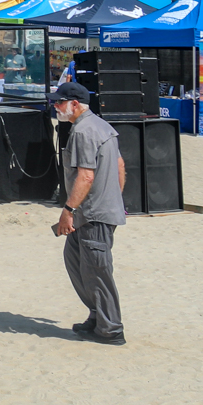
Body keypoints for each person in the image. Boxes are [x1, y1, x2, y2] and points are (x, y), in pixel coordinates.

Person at [49, 80, 126, 345]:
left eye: (59, 102)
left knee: (97, 270)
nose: (55, 106)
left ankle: (111, 329)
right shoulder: (102, 126)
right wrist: (114, 197)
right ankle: (97, 315)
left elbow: (85, 176)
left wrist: (68, 211)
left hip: (93, 214)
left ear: (74, 104)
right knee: (77, 262)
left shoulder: (83, 131)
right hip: (94, 212)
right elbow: (119, 166)